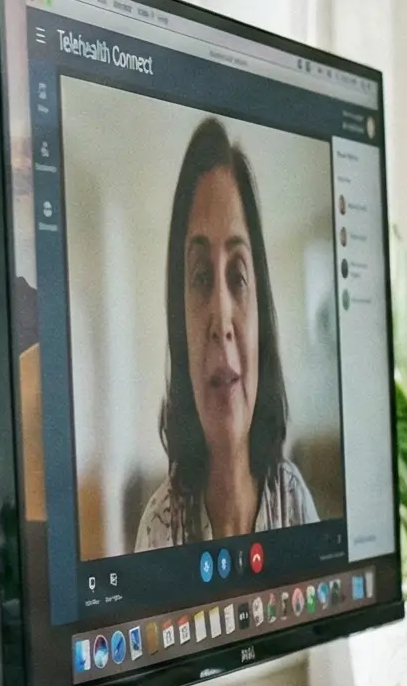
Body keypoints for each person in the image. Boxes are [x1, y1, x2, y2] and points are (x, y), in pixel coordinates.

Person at [134, 118, 318, 550]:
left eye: (237, 277)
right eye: (201, 277)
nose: (221, 316)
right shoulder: (157, 529)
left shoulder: (295, 502)